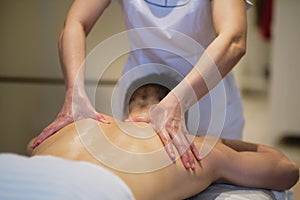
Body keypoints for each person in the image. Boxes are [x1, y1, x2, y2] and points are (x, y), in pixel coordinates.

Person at [32, 0, 252, 168]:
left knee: (221, 165)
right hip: (139, 98)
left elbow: (233, 40)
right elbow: (76, 22)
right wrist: (75, 93)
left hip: (206, 94)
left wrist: (177, 102)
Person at [22, 84, 299, 200]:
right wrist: (214, 141)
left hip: (23, 184)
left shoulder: (76, 127)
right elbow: (286, 170)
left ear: (124, 115)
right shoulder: (193, 148)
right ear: (179, 122)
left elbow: (32, 146)